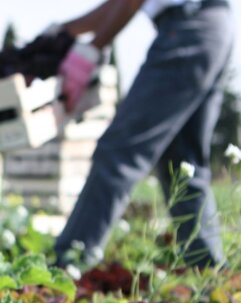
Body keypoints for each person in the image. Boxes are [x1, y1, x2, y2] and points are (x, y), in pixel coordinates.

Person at [51, 0, 234, 268]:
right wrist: (68, 30)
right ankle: (209, 272)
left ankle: (69, 263)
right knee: (184, 165)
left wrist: (93, 47)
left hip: (188, 28)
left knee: (119, 150)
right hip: (212, 26)